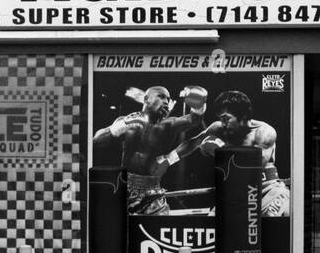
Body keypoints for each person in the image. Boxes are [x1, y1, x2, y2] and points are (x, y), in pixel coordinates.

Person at [156, 89, 290, 216]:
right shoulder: (219, 128)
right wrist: (167, 160)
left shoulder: (264, 132)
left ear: (243, 115)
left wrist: (220, 151)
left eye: (226, 118)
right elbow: (193, 142)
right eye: (221, 118)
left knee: (272, 224)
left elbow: (254, 166)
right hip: (235, 190)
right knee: (212, 228)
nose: (223, 123)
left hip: (266, 189)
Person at [92, 85, 209, 214]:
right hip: (123, 186)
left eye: (168, 99)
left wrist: (198, 104)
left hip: (152, 193)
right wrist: (123, 124)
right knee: (119, 230)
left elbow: (194, 119)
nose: (166, 101)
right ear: (146, 99)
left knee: (155, 230)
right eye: (161, 96)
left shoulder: (169, 125)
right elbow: (96, 141)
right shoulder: (127, 120)